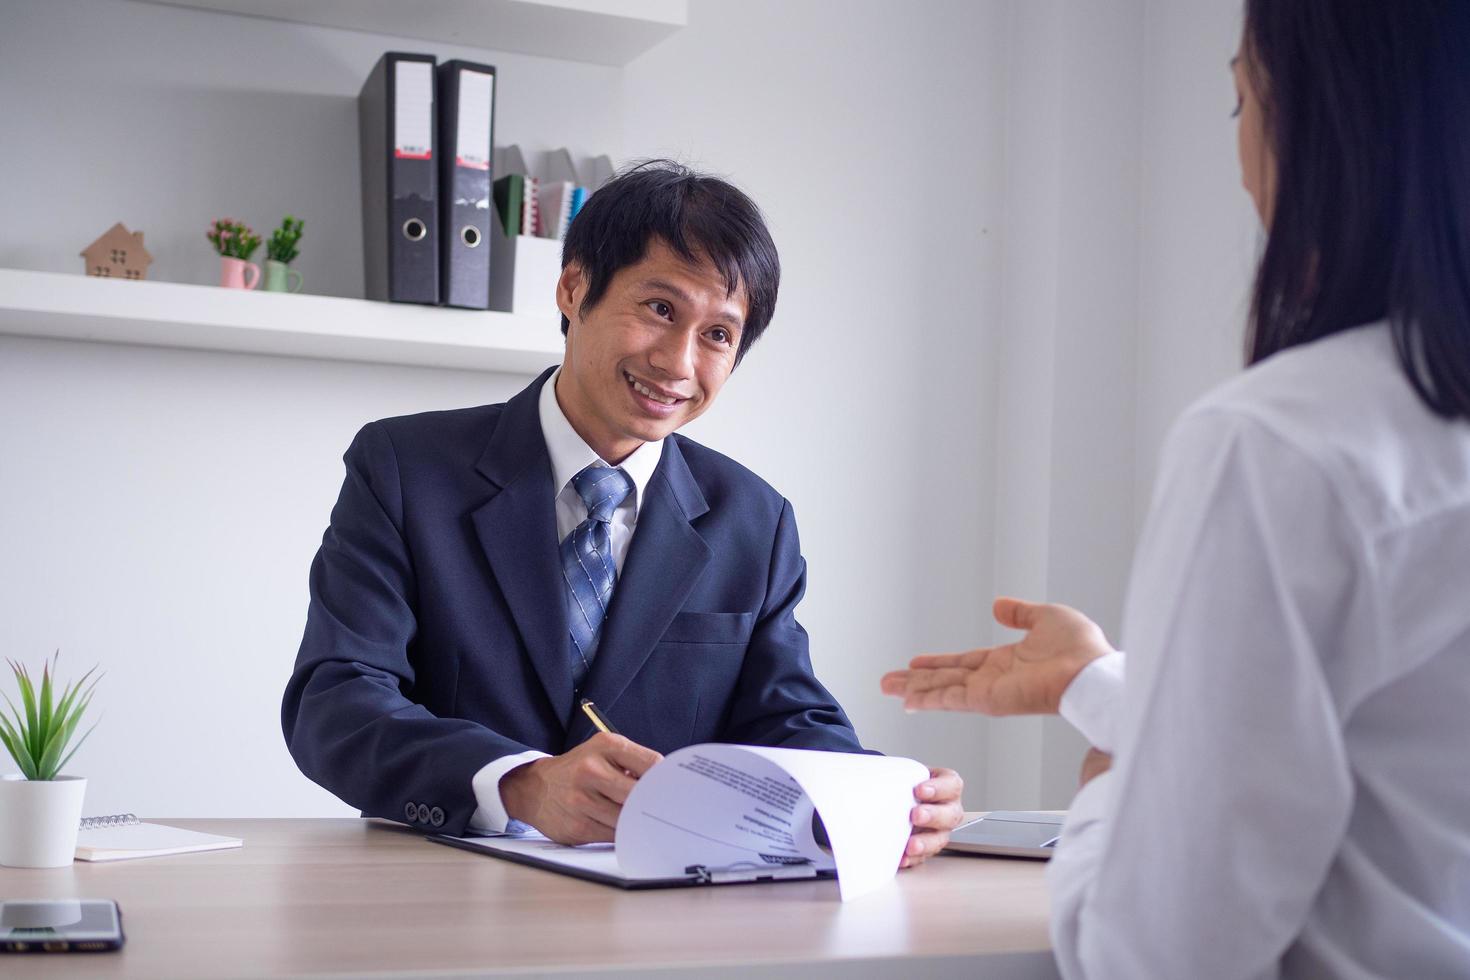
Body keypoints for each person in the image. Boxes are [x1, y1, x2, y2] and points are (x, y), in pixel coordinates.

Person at [882, 0, 1470, 975]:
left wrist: (1113, 788)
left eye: (1241, 99)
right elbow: (1376, 755)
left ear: (1314, 124)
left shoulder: (1278, 441)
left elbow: (1155, 950)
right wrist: (1093, 682)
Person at [283, 161, 961, 861]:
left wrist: (877, 798)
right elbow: (337, 703)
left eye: (718, 336)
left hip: (660, 911)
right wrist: (521, 784)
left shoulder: (755, 521)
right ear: (574, 289)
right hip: (440, 892)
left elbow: (786, 718)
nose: (678, 363)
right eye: (660, 310)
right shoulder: (406, 467)